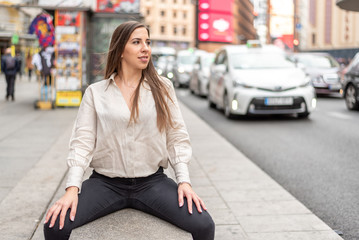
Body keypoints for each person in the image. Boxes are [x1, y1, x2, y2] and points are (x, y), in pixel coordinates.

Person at [43, 21, 215, 240]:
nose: (145, 48)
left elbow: (177, 137)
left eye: (148, 42)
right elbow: (82, 143)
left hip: (152, 183)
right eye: (137, 42)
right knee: (54, 225)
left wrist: (184, 182)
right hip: (105, 183)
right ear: (121, 50)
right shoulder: (97, 92)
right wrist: (71, 189)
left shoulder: (163, 88)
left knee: (204, 224)